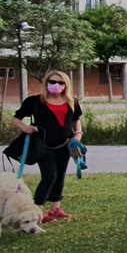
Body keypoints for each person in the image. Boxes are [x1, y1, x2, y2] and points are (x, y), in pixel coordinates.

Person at [11, 70, 83, 222]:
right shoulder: (35, 101)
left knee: (60, 176)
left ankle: (55, 209)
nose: (56, 85)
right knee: (50, 176)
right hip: (43, 145)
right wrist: (25, 128)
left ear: (66, 85)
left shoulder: (72, 101)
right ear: (46, 83)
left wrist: (78, 135)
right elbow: (16, 118)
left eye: (60, 82)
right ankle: (37, 211)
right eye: (52, 82)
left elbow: (76, 119)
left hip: (65, 145)